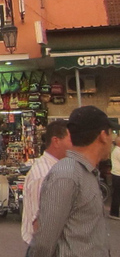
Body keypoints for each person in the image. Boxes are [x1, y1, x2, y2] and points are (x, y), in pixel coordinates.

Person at [30, 106, 117, 257]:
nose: (113, 140)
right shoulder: (66, 175)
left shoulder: (86, 173)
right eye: (112, 134)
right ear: (103, 136)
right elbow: (44, 242)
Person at [21, 120, 71, 248]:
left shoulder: (57, 168)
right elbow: (40, 223)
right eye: (71, 140)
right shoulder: (44, 174)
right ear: (56, 141)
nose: (75, 146)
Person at [110, 134, 120, 220]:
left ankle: (114, 212)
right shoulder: (118, 151)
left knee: (116, 194)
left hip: (116, 174)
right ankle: (114, 213)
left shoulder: (116, 150)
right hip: (118, 175)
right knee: (116, 195)